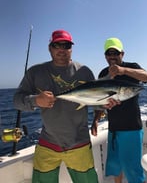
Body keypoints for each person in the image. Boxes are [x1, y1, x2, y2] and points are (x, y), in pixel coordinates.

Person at [13, 30, 117, 183]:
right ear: (50, 48)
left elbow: (96, 99)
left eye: (66, 45)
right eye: (57, 45)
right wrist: (36, 100)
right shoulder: (35, 72)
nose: (62, 49)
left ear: (71, 48)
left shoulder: (85, 72)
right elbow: (17, 100)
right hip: (48, 143)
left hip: (79, 143)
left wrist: (107, 103)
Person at [91, 37, 147, 183]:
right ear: (105, 56)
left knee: (133, 171)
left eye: (116, 53)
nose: (112, 57)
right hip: (114, 129)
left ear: (122, 54)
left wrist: (123, 70)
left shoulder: (132, 66)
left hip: (131, 128)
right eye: (109, 54)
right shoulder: (103, 73)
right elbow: (100, 100)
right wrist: (96, 119)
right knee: (115, 167)